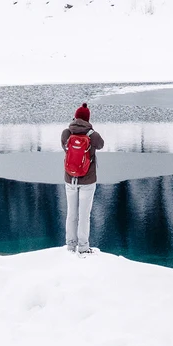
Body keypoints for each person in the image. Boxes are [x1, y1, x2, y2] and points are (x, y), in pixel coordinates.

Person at [61, 103, 104, 255]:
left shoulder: (67, 132)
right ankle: (83, 247)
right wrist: (90, 133)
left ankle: (71, 246)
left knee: (71, 213)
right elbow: (101, 145)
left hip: (70, 179)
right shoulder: (92, 135)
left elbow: (64, 147)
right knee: (84, 215)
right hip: (87, 180)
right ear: (87, 118)